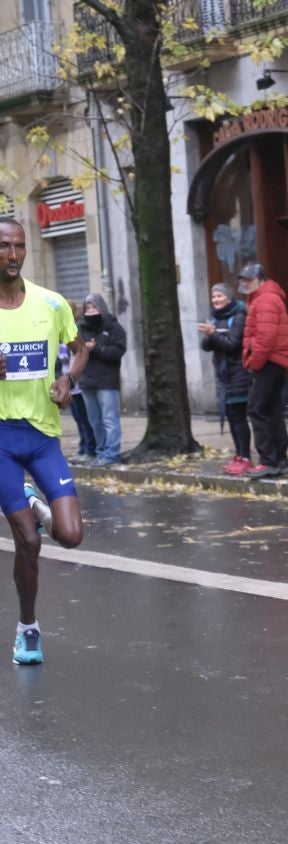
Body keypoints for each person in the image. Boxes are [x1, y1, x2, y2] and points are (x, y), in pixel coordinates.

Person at [0, 216, 88, 665]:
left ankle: (37, 502)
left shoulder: (51, 303)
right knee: (28, 543)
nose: (12, 255)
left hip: (42, 434)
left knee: (70, 535)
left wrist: (67, 379)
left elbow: (81, 347)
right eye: (3, 246)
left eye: (19, 246)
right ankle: (28, 628)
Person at [238, 262, 288, 479]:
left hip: (268, 361)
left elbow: (265, 337)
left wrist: (255, 361)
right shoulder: (266, 297)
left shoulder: (266, 299)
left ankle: (269, 461)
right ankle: (279, 460)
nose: (245, 284)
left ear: (261, 279)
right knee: (272, 410)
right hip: (274, 360)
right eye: (244, 280)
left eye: (249, 280)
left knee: (257, 409)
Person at [197, 283, 252, 475]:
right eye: (213, 297)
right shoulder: (215, 317)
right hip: (222, 376)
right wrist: (207, 335)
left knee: (239, 417)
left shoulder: (239, 316)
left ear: (229, 298)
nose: (216, 300)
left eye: (220, 296)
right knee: (231, 417)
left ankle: (246, 457)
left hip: (238, 374)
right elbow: (207, 347)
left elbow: (233, 344)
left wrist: (213, 335)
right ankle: (238, 455)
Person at [78, 292, 126, 466]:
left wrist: (96, 349)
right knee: (95, 420)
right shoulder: (80, 327)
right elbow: (75, 350)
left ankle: (112, 454)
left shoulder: (113, 327)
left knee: (109, 419)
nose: (91, 311)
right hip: (87, 381)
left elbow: (119, 351)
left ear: (101, 307)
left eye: (94, 306)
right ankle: (100, 452)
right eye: (87, 307)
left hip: (107, 381)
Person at [57, 340, 96, 462]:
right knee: (78, 419)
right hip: (69, 387)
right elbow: (62, 362)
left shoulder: (78, 340)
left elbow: (81, 357)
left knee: (85, 419)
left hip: (80, 386)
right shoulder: (62, 345)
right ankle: (83, 447)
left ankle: (90, 449)